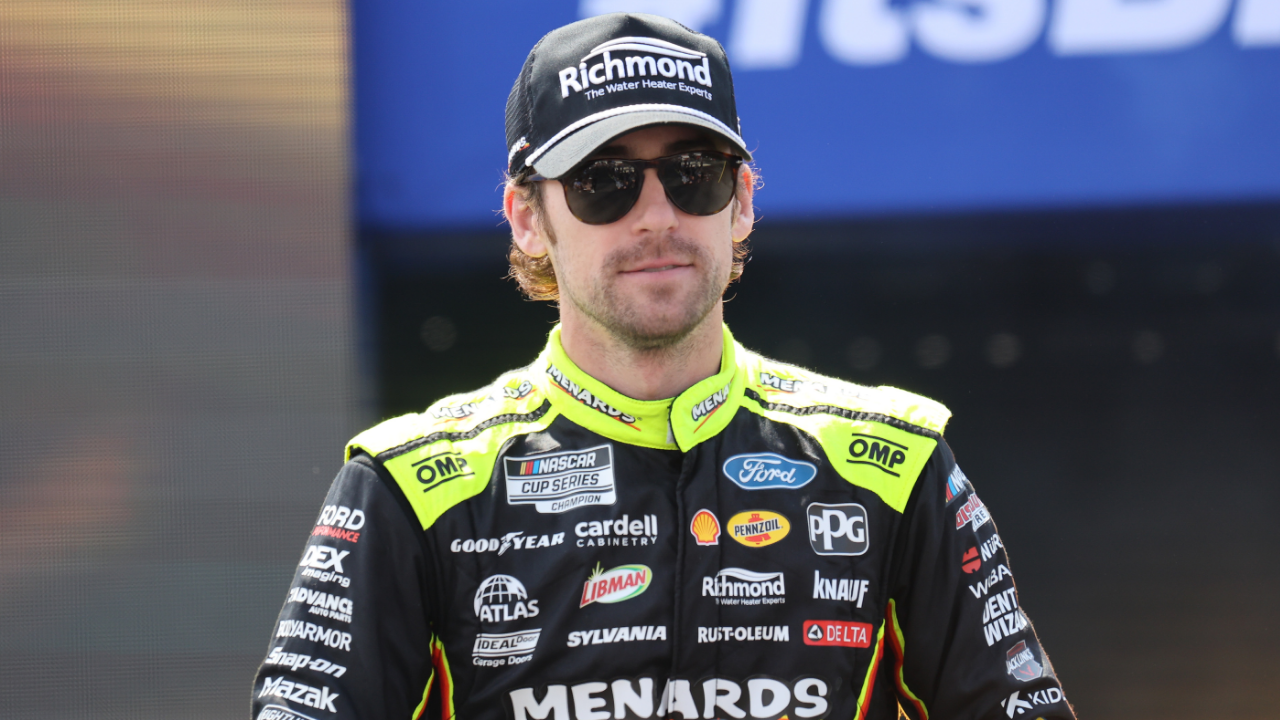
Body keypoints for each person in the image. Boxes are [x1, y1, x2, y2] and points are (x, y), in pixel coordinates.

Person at [252, 12, 1076, 720]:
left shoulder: (894, 464)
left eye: (694, 175)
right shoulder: (411, 487)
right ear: (527, 218)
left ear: (743, 199)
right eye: (604, 182)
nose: (656, 215)